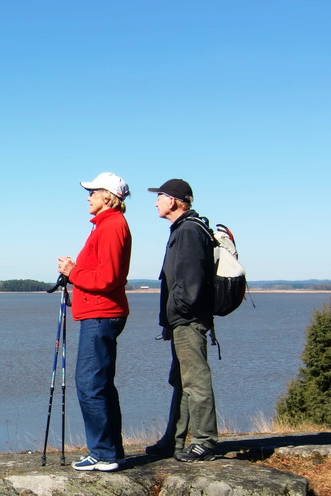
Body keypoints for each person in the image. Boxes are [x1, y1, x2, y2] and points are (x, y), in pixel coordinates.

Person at [57, 172, 132, 472]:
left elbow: (109, 277)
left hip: (102, 314)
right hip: (100, 312)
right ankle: (111, 450)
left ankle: (103, 453)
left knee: (89, 383)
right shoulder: (106, 225)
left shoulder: (112, 226)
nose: (88, 197)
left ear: (107, 197)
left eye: (92, 192)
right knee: (100, 384)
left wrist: (73, 272)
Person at [145, 178, 219, 462]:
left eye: (160, 196)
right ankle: (172, 441)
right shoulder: (184, 228)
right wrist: (168, 320)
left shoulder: (188, 230)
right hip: (181, 320)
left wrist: (178, 315)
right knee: (181, 380)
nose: (156, 202)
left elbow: (189, 283)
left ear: (174, 200)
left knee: (195, 379)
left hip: (188, 320)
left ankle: (205, 441)